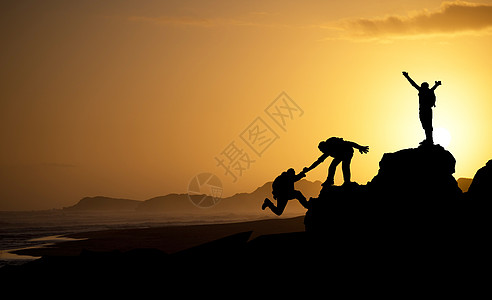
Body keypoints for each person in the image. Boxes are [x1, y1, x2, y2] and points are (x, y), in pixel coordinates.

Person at [303, 137, 369, 186]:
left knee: (345, 166)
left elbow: (349, 143)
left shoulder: (333, 144)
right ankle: (330, 180)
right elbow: (318, 161)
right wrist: (308, 169)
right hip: (339, 155)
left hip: (347, 151)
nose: (323, 152)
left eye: (322, 150)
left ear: (325, 147)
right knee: (332, 166)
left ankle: (347, 182)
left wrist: (360, 147)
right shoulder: (327, 151)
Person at [402, 71, 441, 145]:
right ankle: (429, 139)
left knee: (427, 125)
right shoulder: (429, 91)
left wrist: (407, 76)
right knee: (426, 125)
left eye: (423, 85)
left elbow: (413, 84)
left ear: (424, 86)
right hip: (425, 110)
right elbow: (434, 87)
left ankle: (429, 140)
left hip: (425, 110)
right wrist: (437, 84)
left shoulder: (423, 90)